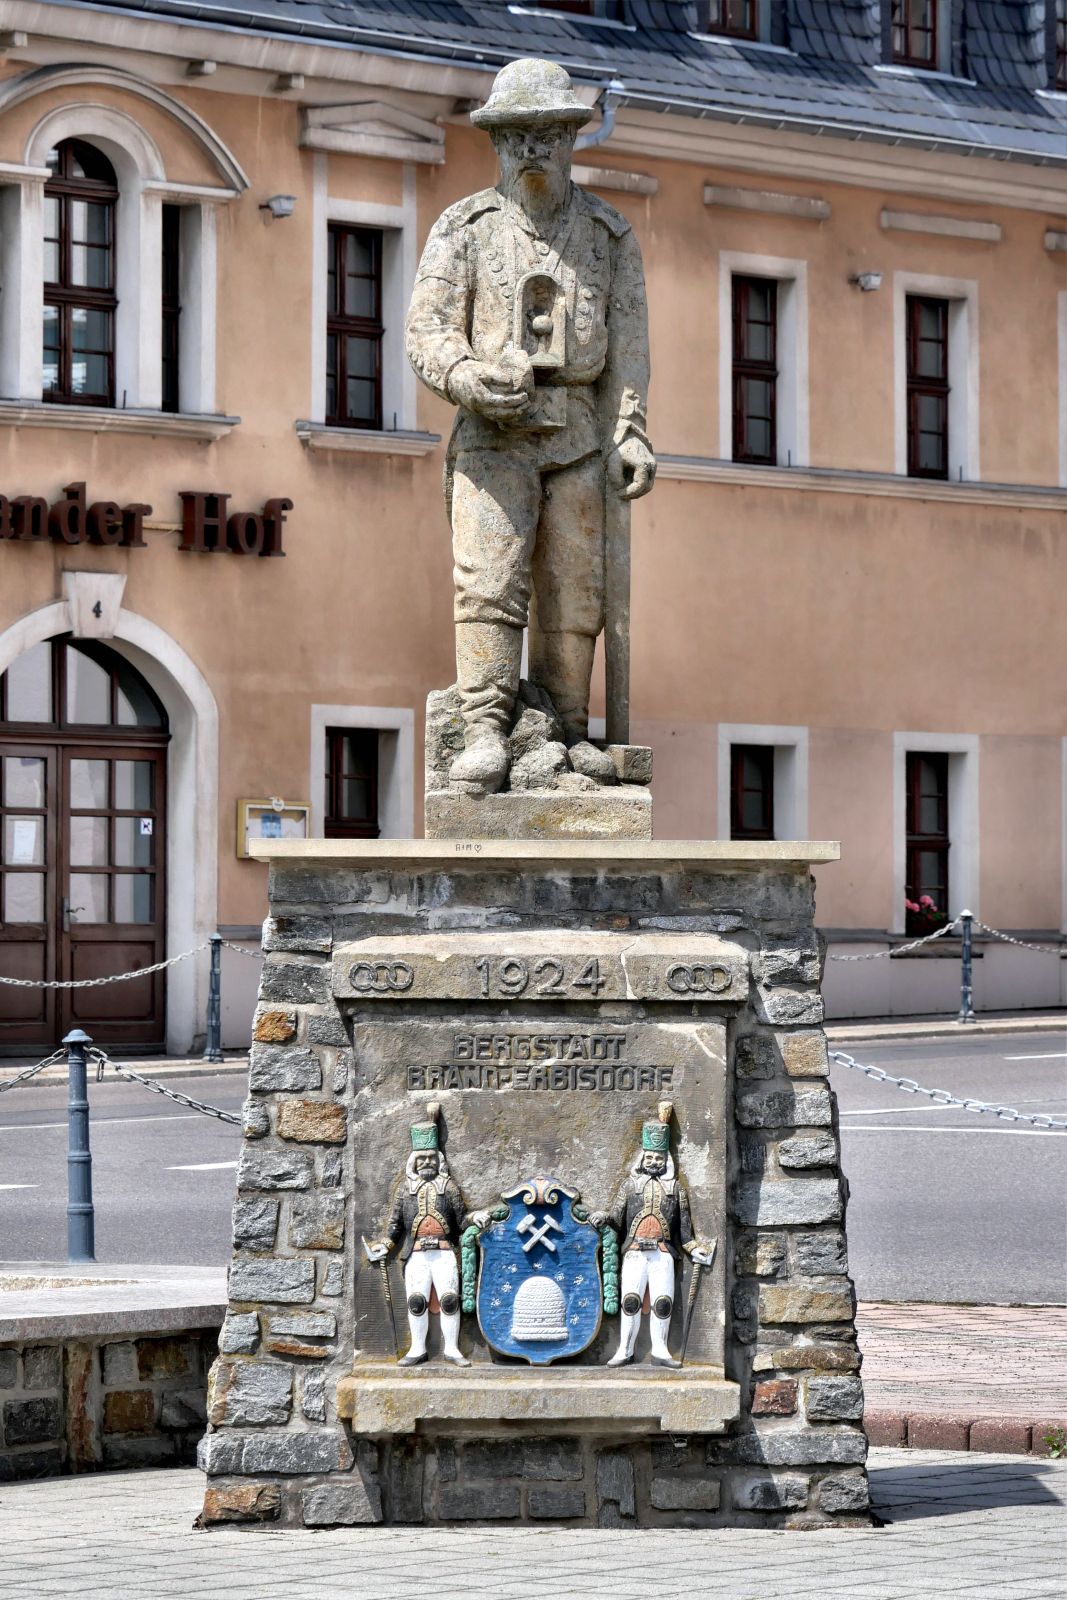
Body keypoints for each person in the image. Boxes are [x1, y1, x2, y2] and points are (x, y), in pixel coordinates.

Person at [405, 56, 656, 796]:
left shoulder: (609, 238)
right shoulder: (466, 228)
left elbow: (629, 348)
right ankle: (485, 726)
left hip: (578, 433)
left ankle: (570, 728)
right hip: (492, 436)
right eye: (516, 137)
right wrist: (464, 376)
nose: (531, 150)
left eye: (546, 135)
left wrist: (632, 430)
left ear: (570, 140)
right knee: (488, 582)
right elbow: (426, 328)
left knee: (576, 592)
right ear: (497, 145)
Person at [593, 1102, 715, 1368]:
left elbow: (684, 1231)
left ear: (665, 1160)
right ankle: (625, 1349)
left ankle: (660, 1350)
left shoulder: (676, 1190)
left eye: (658, 1158)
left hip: (663, 1254)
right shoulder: (629, 1186)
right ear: (642, 1158)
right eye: (649, 1158)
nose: (654, 1162)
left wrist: (693, 1249)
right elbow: (615, 1218)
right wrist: (603, 1218)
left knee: (662, 1303)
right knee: (630, 1301)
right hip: (635, 1252)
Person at [365, 1103, 486, 1366]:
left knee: (450, 1301)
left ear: (439, 1160)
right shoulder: (405, 1191)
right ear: (414, 1162)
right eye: (422, 1159)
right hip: (417, 1254)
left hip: (443, 1253)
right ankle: (417, 1349)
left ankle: (452, 1349)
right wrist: (385, 1245)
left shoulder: (449, 1187)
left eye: (431, 1158)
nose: (427, 1163)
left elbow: (461, 1219)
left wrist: (474, 1218)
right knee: (416, 1302)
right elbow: (395, 1225)